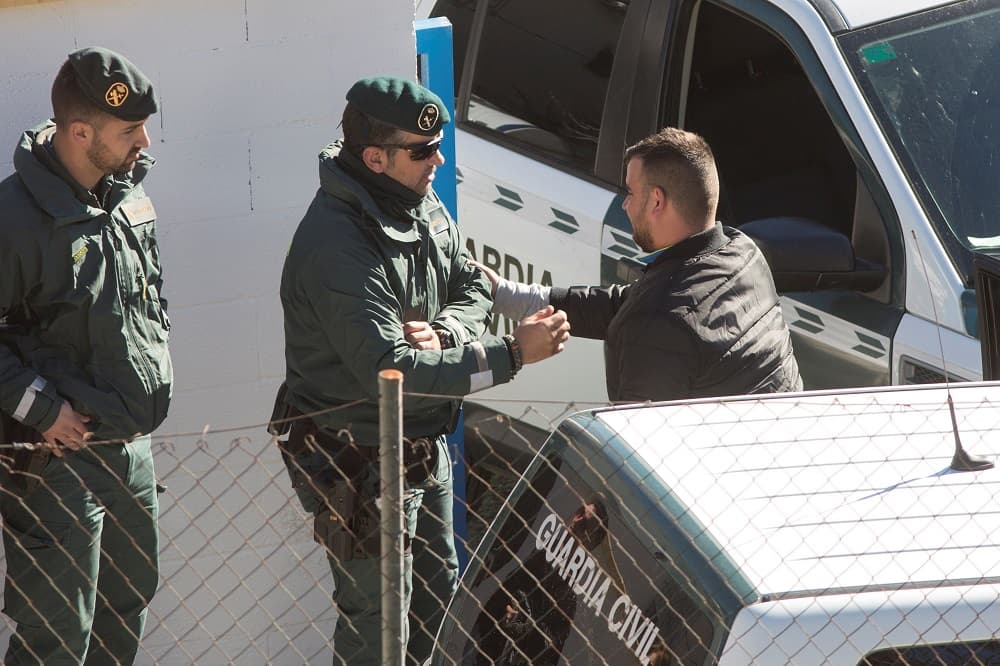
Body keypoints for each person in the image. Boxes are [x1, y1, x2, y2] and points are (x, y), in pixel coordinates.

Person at [274, 76, 570, 665]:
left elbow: (471, 283)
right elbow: (394, 371)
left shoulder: (414, 196)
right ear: (374, 157)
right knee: (379, 626)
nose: (438, 160)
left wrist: (449, 333)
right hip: (359, 459)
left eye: (438, 146)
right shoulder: (337, 244)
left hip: (421, 443)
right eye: (422, 150)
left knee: (437, 597)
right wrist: (511, 354)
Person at [0, 47, 170, 664]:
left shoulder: (128, 194)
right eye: (130, 131)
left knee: (127, 605)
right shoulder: (14, 218)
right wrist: (43, 410)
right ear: (79, 133)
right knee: (58, 635)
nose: (144, 142)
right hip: (57, 461)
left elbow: (149, 295)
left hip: (130, 446)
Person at [480, 127, 801, 402]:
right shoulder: (742, 253)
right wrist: (503, 293)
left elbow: (632, 444)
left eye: (631, 192)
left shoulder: (659, 323)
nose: (625, 204)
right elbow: (629, 303)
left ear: (657, 201)